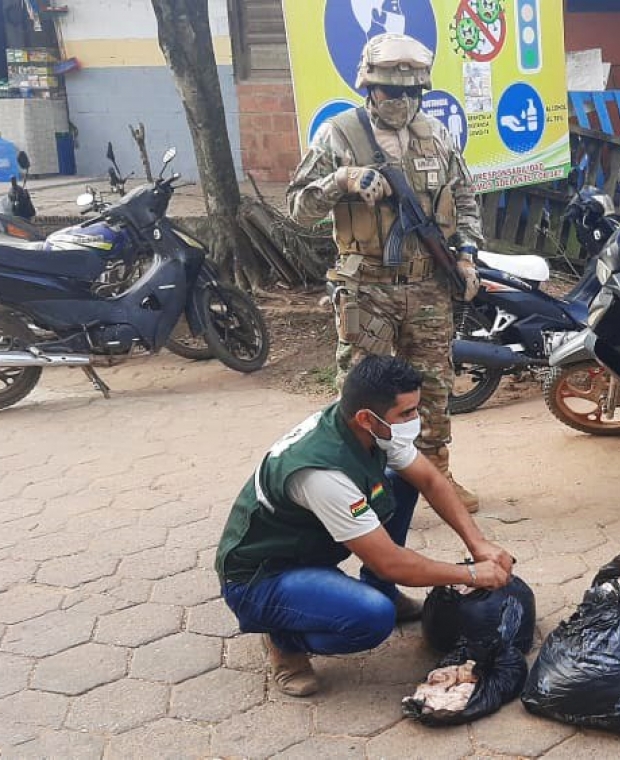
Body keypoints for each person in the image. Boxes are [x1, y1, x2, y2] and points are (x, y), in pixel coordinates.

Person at [215, 355, 514, 697]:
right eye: (406, 413)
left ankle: (380, 587)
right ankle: (283, 640)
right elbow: (392, 563)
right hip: (262, 576)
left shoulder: (369, 426)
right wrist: (473, 575)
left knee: (399, 481)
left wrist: (477, 543)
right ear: (365, 417)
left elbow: (430, 480)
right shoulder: (322, 474)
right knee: (372, 617)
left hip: (307, 546)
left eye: (415, 409)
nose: (414, 420)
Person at [287, 33, 484, 511]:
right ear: (368, 87)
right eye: (390, 91)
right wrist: (341, 180)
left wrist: (467, 254)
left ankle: (435, 476)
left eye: (413, 92)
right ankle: (359, 484)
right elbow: (297, 207)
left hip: (427, 285)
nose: (401, 101)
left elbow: (464, 198)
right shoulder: (339, 133)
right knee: (362, 390)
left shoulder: (435, 135)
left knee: (433, 388)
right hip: (366, 287)